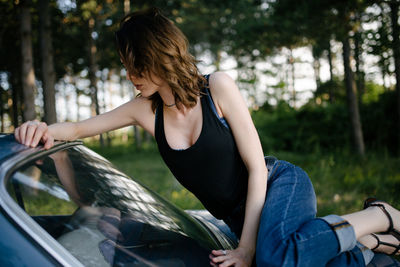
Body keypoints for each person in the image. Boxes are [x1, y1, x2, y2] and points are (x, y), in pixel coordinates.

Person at [14, 7, 400, 267]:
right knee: (291, 259)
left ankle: (379, 215)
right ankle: (372, 246)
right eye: (125, 65)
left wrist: (247, 247)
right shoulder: (144, 110)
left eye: (137, 64)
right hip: (235, 215)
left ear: (160, 56)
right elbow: (80, 128)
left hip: (277, 184)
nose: (130, 74)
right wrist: (40, 128)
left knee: (272, 257)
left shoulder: (217, 87)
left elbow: (256, 168)